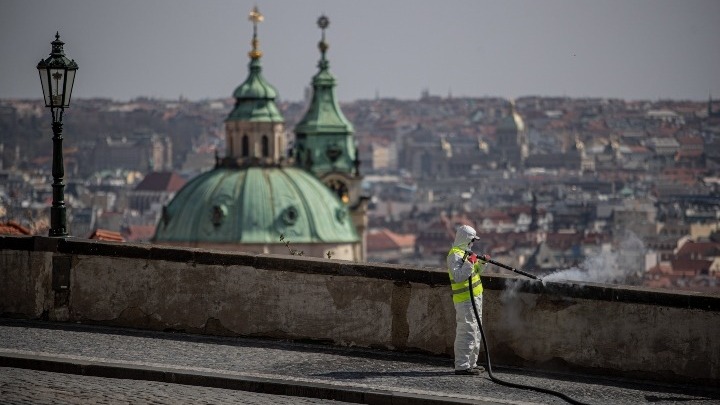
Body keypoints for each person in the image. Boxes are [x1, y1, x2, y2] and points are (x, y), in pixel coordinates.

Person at [447, 224, 489, 375]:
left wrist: (481, 264)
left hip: (476, 297)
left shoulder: (466, 252)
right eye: (472, 240)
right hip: (465, 299)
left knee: (476, 330)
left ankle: (472, 363)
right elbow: (459, 277)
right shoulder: (455, 255)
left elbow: (474, 272)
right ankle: (462, 366)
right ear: (466, 239)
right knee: (467, 331)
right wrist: (470, 263)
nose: (473, 243)